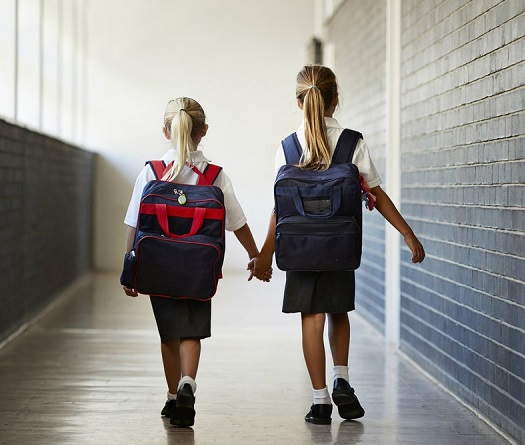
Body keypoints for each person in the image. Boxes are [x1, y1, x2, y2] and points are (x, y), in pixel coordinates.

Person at [252, 65, 425, 424]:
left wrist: (265, 254)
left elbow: (279, 209)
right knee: (337, 311)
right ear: (336, 100)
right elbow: (377, 194)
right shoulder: (351, 142)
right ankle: (341, 378)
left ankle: (320, 402)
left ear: (298, 102)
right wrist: (407, 233)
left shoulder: (286, 147)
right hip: (339, 246)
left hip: (299, 249)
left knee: (311, 319)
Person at [122, 97, 263, 427]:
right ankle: (188, 384)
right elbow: (238, 222)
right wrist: (255, 254)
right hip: (199, 268)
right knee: (191, 331)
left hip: (157, 265)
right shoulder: (214, 175)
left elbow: (133, 223)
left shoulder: (151, 172)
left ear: (166, 131)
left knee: (168, 334)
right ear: (204, 130)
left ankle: (173, 397)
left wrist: (129, 267)